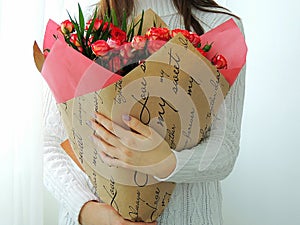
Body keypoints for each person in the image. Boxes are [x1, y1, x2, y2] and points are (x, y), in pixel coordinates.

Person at [43, 0, 246, 224]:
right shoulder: (81, 24)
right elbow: (49, 143)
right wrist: (86, 210)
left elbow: (225, 150)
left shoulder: (219, 26)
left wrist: (165, 162)